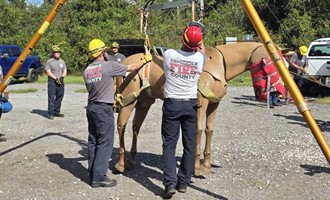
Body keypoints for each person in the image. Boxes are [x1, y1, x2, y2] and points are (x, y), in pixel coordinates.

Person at [83, 38, 151, 188]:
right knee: (105, 143)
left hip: (91, 107)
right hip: (103, 109)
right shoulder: (108, 66)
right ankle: (99, 177)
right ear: (102, 52)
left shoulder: (87, 70)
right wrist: (146, 60)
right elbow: (131, 67)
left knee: (93, 140)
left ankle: (92, 173)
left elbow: (91, 90)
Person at [161, 23, 206, 199]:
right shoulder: (200, 59)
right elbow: (201, 50)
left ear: (182, 38)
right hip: (190, 105)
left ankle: (170, 183)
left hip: (172, 104)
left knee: (169, 145)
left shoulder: (169, 55)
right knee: (189, 145)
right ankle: (183, 183)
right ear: (198, 44)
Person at [45, 45, 67, 120]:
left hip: (60, 81)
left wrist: (62, 77)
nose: (58, 53)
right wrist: (55, 78)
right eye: (56, 52)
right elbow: (48, 72)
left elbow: (65, 70)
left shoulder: (62, 61)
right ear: (53, 53)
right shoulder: (49, 61)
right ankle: (50, 113)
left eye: (59, 52)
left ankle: (56, 111)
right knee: (51, 97)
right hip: (52, 82)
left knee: (60, 95)